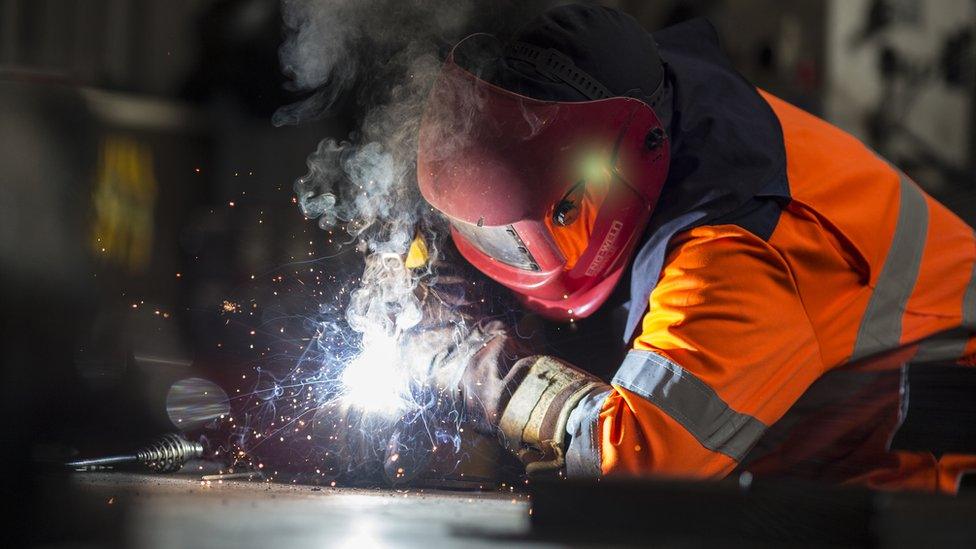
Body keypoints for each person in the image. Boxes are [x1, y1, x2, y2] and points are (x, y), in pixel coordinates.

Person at [416, 4, 976, 492]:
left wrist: (479, 367)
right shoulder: (648, 98)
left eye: (512, 240)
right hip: (811, 457)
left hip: (933, 497)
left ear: (608, 174)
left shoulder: (735, 252)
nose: (497, 253)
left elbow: (631, 463)